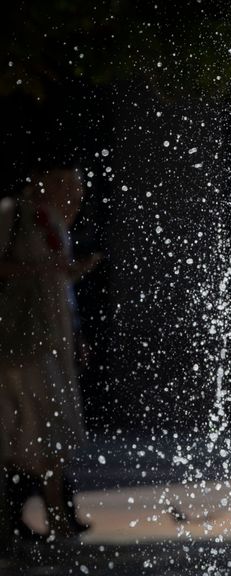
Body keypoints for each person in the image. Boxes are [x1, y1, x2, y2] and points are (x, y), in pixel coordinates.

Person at [0, 162, 99, 546]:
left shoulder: (53, 223)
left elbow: (59, 285)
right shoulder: (13, 215)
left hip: (49, 341)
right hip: (18, 343)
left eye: (77, 189)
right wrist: (46, 268)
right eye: (65, 186)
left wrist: (75, 334)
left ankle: (48, 517)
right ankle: (54, 517)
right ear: (41, 182)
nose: (74, 195)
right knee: (33, 429)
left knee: (46, 430)